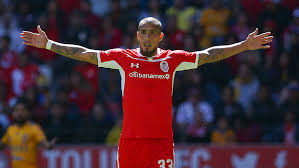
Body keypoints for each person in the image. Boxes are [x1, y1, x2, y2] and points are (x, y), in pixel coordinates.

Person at [20, 17, 273, 168]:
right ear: (138, 35)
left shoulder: (173, 59)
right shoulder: (122, 57)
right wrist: (49, 44)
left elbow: (207, 55)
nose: (148, 37)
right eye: (145, 33)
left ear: (160, 36)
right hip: (131, 142)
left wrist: (244, 46)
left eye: (154, 33)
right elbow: (85, 53)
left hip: (162, 142)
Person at [0, 100, 56, 168]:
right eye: (16, 110)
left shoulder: (34, 128)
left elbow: (45, 144)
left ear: (28, 113)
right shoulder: (10, 129)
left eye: (23, 110)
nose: (19, 113)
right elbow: (2, 145)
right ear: (13, 113)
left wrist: (49, 146)